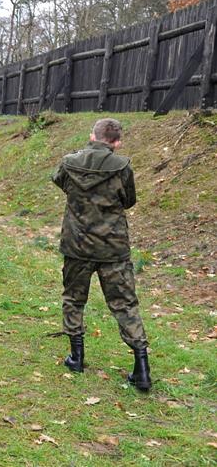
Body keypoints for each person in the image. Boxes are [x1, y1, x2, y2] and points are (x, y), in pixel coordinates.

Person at [52, 118, 151, 391]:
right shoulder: (122, 167)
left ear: (92, 136)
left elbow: (60, 182)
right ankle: (141, 369)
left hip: (77, 244)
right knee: (125, 304)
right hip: (113, 247)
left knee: (74, 299)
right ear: (117, 142)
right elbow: (128, 201)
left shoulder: (69, 162)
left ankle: (77, 357)